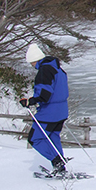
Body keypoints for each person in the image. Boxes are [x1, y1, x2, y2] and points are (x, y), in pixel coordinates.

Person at [20, 43, 70, 175]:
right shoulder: (59, 69)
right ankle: (60, 167)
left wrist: (30, 101)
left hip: (49, 112)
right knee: (53, 137)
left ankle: (57, 161)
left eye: (31, 63)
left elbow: (44, 94)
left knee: (34, 138)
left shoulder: (45, 70)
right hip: (62, 111)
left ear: (34, 60)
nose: (32, 66)